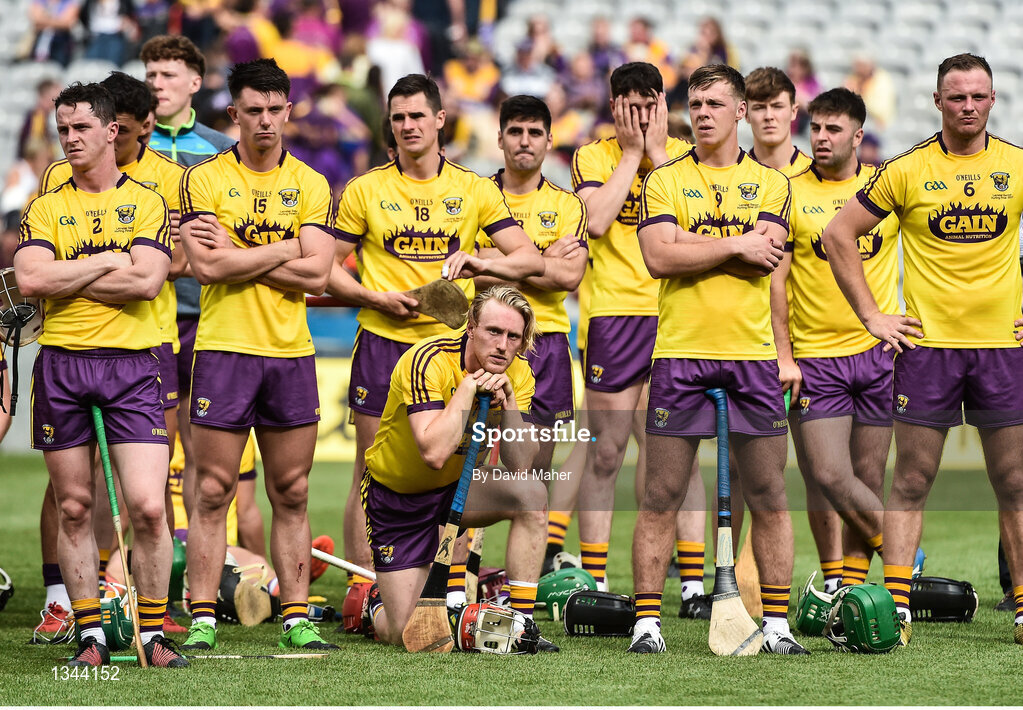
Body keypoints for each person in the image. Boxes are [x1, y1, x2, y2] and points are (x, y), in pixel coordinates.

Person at [823, 53, 1023, 646]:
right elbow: (838, 234)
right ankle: (898, 609)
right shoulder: (908, 170)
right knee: (911, 478)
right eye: (956, 97)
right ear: (937, 101)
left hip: (1000, 350)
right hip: (927, 347)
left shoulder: (1016, 165)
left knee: (1014, 482)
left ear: (992, 100)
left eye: (978, 96)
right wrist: (871, 315)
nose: (968, 106)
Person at [326, 73, 543, 618]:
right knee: (370, 470)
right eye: (398, 118)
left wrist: (481, 261)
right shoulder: (365, 189)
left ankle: (452, 583)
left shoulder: (474, 188)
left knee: (468, 465)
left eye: (417, 116)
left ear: (440, 120)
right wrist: (375, 297)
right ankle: (365, 588)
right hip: (384, 342)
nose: (407, 126)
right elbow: (327, 271)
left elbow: (529, 260)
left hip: (459, 350)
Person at [632, 64, 804, 655]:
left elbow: (768, 259)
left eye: (713, 103)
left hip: (752, 356)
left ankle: (778, 626)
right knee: (661, 495)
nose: (702, 112)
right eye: (695, 103)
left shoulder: (775, 183)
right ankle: (647, 624)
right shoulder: (663, 180)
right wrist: (734, 244)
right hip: (679, 353)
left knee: (770, 495)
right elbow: (658, 257)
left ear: (740, 112)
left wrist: (693, 247)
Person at [14, 82, 186, 667]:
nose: (69, 139)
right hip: (62, 362)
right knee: (73, 507)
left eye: (80, 128)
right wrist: (111, 259)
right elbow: (31, 281)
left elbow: (146, 284)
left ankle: (155, 632)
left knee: (149, 506)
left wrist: (73, 270)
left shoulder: (147, 199)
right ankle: (90, 635)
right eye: (63, 129)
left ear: (113, 131)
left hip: (133, 365)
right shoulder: (46, 203)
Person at [178, 58, 337, 651]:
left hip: (289, 352)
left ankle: (295, 616)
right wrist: (288, 245)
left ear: (288, 111)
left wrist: (245, 249)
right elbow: (208, 266)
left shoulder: (314, 183)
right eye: (254, 111)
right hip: (224, 350)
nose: (265, 121)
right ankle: (200, 615)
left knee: (291, 490)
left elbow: (319, 271)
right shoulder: (204, 179)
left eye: (275, 110)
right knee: (214, 489)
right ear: (234, 114)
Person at [360, 286, 551, 648]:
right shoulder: (426, 360)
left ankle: (524, 625)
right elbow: (433, 454)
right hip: (399, 498)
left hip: (457, 492)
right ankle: (373, 603)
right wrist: (468, 388)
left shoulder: (520, 374)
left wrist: (508, 401)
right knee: (402, 634)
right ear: (471, 328)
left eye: (513, 337)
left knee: (532, 494)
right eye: (494, 332)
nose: (502, 345)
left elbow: (521, 464)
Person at [569, 62, 696, 596]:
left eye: (651, 104)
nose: (641, 115)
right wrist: (629, 153)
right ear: (614, 105)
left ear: (664, 104)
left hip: (678, 312)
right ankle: (595, 581)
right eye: (631, 105)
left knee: (676, 452)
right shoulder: (593, 155)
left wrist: (660, 155)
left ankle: (692, 582)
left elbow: (698, 230)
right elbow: (595, 221)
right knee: (605, 451)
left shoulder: (686, 156)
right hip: (615, 315)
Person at [141, 34, 263, 551]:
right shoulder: (128, 146)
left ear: (195, 82)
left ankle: (197, 569)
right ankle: (153, 575)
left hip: (211, 312)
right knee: (151, 453)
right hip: (149, 311)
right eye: (150, 75)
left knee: (200, 453)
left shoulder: (219, 148)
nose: (157, 85)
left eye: (167, 75)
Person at [777, 88, 900, 592]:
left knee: (867, 480)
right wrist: (785, 356)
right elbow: (776, 282)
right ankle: (904, 557)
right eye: (816, 128)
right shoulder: (786, 189)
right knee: (828, 474)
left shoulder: (887, 186)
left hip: (879, 354)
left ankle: (850, 591)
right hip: (816, 359)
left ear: (857, 135)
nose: (821, 138)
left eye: (833, 129)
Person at [473, 95, 587, 569]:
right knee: (470, 464)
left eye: (534, 132)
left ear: (548, 141)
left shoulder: (566, 203)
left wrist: (498, 263)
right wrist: (541, 257)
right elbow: (467, 274)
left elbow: (569, 278)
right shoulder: (475, 195)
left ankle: (521, 580)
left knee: (531, 472)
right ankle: (462, 576)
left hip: (547, 346)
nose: (524, 141)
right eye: (515, 131)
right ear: (499, 138)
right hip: (482, 340)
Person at [746, 67, 813, 178]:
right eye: (759, 108)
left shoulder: (816, 176)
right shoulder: (730, 180)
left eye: (777, 107)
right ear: (746, 114)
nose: (769, 116)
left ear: (794, 112)